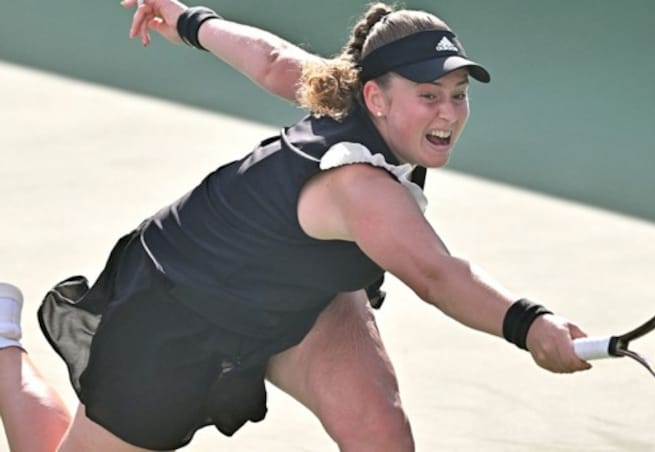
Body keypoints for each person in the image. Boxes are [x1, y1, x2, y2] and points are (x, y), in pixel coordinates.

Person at [0, 1, 591, 450]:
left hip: (301, 297)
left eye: (458, 95)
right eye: (428, 94)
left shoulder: (346, 93)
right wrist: (529, 323)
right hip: (177, 303)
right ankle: (2, 347)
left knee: (381, 435)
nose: (448, 113)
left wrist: (185, 18)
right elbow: (437, 275)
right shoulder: (360, 187)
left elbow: (273, 59)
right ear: (376, 98)